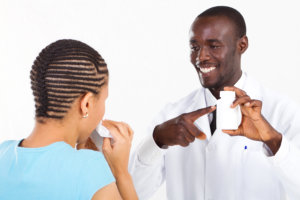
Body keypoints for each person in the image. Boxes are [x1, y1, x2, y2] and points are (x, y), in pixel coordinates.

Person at [130, 6, 300, 200]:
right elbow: (132, 193)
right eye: (195, 47)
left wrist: (273, 141)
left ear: (242, 45)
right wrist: (156, 140)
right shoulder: (172, 115)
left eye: (214, 46)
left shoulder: (281, 112)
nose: (201, 57)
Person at [0, 39, 138, 200]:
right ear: (86, 104)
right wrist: (121, 173)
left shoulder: (3, 152)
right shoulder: (91, 170)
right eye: (104, 99)